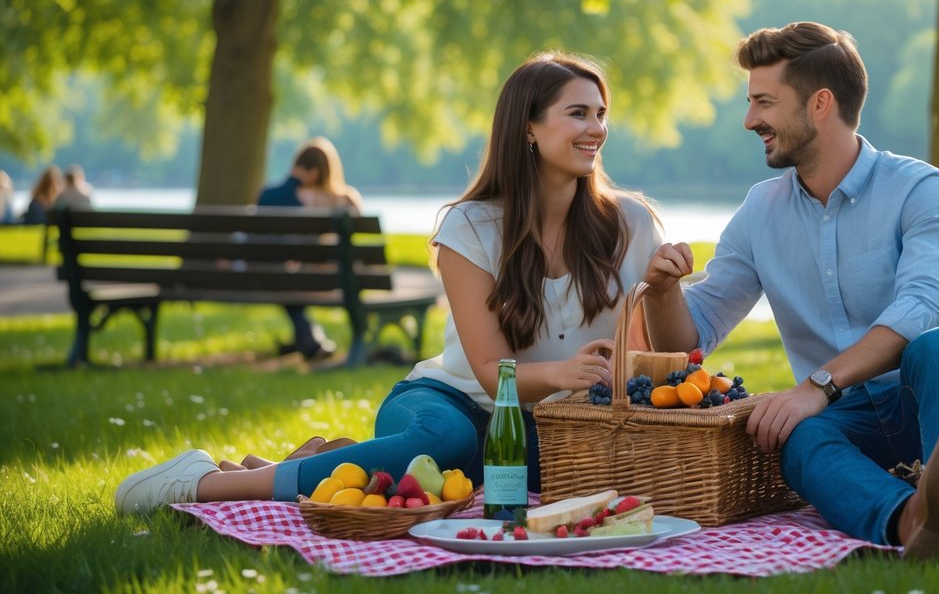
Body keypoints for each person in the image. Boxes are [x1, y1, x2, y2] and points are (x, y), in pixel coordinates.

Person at [114, 52, 664, 514]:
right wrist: (565, 371)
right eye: (578, 114)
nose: (597, 129)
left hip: (555, 423)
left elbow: (668, 349)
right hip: (451, 400)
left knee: (551, 469)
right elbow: (488, 372)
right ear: (528, 127)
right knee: (449, 443)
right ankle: (212, 484)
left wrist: (664, 289)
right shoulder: (470, 227)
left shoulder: (632, 222)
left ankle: (320, 466)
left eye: (601, 113)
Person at [642, 21, 939, 560]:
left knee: (937, 344)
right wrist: (663, 292)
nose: (751, 120)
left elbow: (923, 308)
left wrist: (818, 385)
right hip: (853, 429)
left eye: (764, 103)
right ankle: (919, 518)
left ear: (820, 104)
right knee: (798, 438)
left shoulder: (922, 189)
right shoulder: (759, 212)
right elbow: (692, 336)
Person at [254, 137, 362, 360]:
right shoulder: (344, 199)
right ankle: (309, 338)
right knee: (292, 279)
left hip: (273, 276)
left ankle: (307, 338)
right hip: (337, 280)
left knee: (287, 279)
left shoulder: (274, 195)